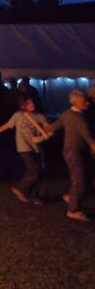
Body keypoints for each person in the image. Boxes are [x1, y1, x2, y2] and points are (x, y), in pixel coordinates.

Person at [44, 90, 95, 222]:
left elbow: (53, 126)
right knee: (79, 180)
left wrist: (46, 129)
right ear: (76, 102)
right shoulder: (79, 119)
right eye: (85, 101)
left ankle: (71, 196)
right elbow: (90, 140)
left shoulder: (67, 113)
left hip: (70, 151)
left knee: (80, 177)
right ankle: (73, 210)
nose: (88, 103)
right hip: (74, 152)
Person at [0, 96, 50, 203]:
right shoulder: (18, 115)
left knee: (38, 172)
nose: (32, 104)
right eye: (29, 103)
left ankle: (34, 195)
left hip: (36, 148)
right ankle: (19, 187)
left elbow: (48, 130)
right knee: (34, 170)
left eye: (32, 102)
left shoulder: (40, 116)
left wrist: (40, 138)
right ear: (23, 106)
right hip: (24, 148)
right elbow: (8, 125)